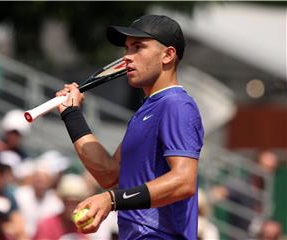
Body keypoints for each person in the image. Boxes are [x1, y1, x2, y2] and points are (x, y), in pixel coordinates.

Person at [55, 15, 204, 239]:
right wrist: (72, 114)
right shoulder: (147, 110)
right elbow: (109, 174)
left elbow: (184, 181)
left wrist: (111, 200)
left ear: (168, 55)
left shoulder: (176, 105)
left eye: (138, 47)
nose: (127, 58)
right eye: (126, 49)